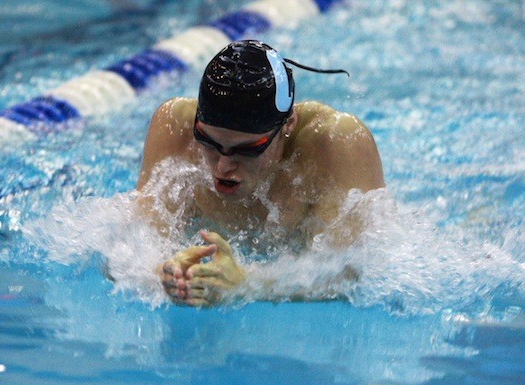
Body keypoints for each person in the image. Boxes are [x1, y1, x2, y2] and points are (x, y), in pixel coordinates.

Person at [135, 40, 384, 306]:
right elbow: (127, 252)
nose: (222, 167)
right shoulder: (174, 128)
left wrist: (246, 283)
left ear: (288, 124)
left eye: (247, 150)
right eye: (208, 143)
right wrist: (167, 274)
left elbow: (351, 272)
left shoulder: (336, 144)